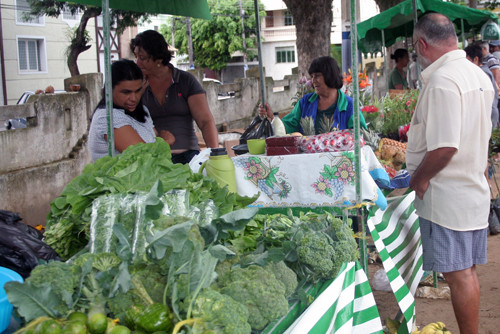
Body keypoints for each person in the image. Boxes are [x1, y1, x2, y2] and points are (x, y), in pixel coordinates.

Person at [407, 13, 494, 334]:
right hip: (470, 189)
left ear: (421, 44)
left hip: (448, 198)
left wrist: (419, 178)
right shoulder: (477, 75)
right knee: (466, 272)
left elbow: (445, 147)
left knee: (459, 275)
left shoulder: (444, 81)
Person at [130, 30, 219, 164]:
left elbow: (205, 121)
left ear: (158, 58)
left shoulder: (185, 80)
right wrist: (138, 94)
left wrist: (215, 156)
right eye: (136, 57)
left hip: (189, 156)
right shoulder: (136, 85)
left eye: (142, 58)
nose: (137, 63)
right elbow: (128, 119)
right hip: (153, 158)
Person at [88, 59, 175, 162]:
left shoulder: (142, 110)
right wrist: (166, 142)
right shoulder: (107, 117)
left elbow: (155, 139)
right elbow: (142, 157)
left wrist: (161, 142)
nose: (134, 98)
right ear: (109, 89)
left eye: (138, 91)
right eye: (126, 92)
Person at [259, 56, 367, 135]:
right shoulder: (306, 102)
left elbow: (362, 135)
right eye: (312, 76)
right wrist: (272, 118)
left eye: (317, 76)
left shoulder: (349, 106)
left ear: (330, 75)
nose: (313, 81)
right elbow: (288, 125)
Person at [464, 43, 499, 128]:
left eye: (467, 60)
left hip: (489, 113)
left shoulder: (482, 73)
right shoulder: (483, 71)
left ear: (476, 59)